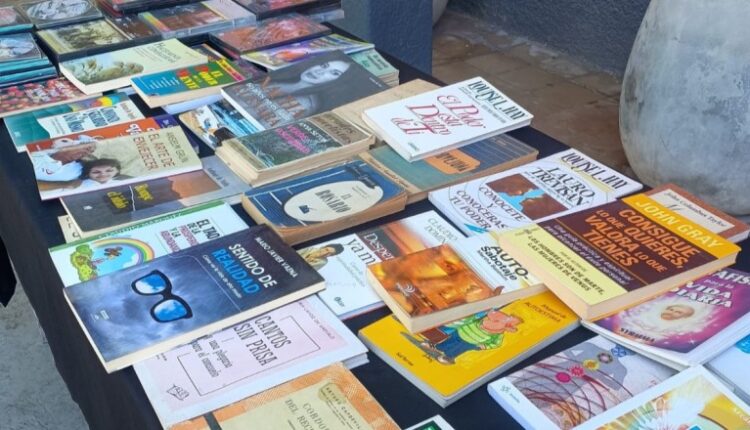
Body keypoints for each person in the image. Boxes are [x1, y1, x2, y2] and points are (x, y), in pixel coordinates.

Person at [260, 58, 361, 117]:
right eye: (324, 66)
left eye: (334, 73)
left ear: (338, 82)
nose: (319, 71)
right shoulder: (278, 79)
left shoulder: (305, 104)